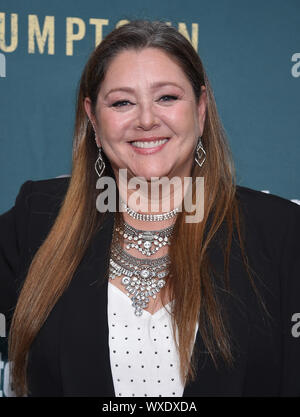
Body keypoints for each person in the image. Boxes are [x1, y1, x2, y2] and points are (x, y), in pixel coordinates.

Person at [0, 20, 300, 398]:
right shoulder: (39, 216)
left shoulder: (280, 230)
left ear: (201, 108)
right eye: (122, 102)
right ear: (93, 118)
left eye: (167, 98)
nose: (145, 119)